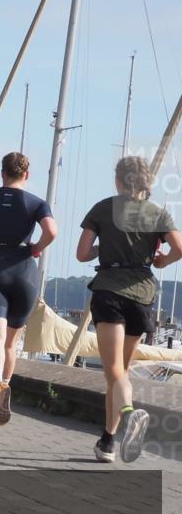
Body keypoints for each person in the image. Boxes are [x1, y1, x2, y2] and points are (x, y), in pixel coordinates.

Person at [76, 156, 182, 462]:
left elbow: (82, 253)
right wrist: (162, 261)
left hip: (110, 290)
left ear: (119, 181)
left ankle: (130, 411)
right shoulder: (158, 213)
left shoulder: (102, 208)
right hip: (142, 296)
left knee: (113, 371)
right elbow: (179, 248)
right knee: (121, 371)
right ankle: (107, 442)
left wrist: (104, 246)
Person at [0, 152, 56, 426]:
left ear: (2, 173)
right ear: (26, 175)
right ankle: (2, 389)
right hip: (25, 271)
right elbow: (52, 231)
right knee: (10, 343)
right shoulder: (38, 203)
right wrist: (36, 248)